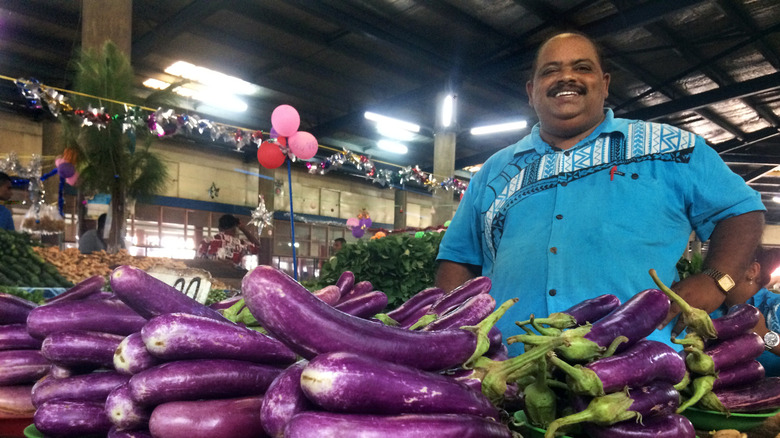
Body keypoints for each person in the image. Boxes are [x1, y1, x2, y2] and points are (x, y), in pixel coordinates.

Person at [435, 31, 766, 355]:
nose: (566, 77)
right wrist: (456, 336)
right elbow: (459, 259)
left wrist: (716, 280)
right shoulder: (494, 172)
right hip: (508, 367)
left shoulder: (671, 148)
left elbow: (741, 211)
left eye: (582, 68)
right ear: (531, 91)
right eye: (550, 71)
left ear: (604, 83)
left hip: (636, 371)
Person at [712, 245, 780, 376]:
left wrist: (765, 336)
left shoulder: (775, 306)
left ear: (752, 271)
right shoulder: (711, 311)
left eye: (722, 270)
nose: (714, 277)